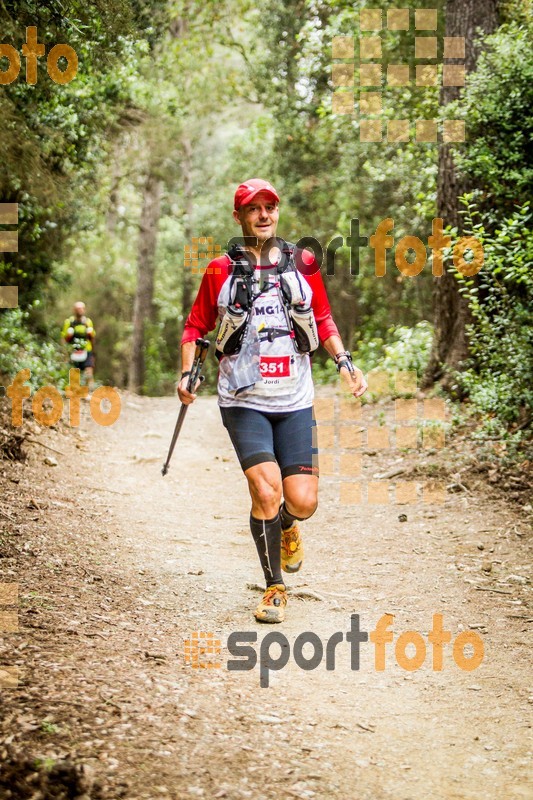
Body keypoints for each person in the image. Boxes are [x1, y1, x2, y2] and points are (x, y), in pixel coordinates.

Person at [179, 179, 367, 623]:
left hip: (294, 399)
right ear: (239, 217)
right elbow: (194, 327)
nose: (264, 215)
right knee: (266, 490)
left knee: (301, 501)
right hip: (242, 399)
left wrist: (344, 361)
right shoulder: (218, 272)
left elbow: (322, 318)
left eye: (270, 207)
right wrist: (187, 372)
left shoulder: (302, 262)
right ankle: (274, 587)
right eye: (254, 209)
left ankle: (287, 524)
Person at [61, 301, 96, 393]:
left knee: (89, 371)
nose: (79, 310)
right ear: (74, 310)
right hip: (73, 351)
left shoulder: (88, 322)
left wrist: (93, 352)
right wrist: (65, 351)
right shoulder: (69, 322)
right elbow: (64, 338)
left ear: (84, 310)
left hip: (86, 350)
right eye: (77, 309)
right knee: (74, 372)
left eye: (81, 308)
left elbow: (92, 338)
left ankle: (90, 392)